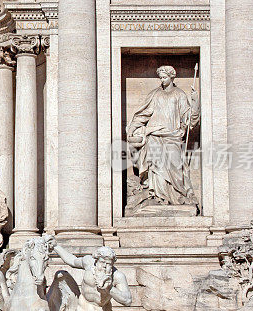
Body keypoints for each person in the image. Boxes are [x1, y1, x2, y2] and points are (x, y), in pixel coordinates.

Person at [126, 65, 200, 207]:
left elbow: (189, 119)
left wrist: (195, 102)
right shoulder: (155, 94)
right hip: (154, 135)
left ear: (172, 77)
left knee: (174, 165)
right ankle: (157, 196)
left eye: (164, 77)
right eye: (160, 77)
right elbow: (143, 114)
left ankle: (176, 196)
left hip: (173, 136)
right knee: (156, 166)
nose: (162, 80)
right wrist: (133, 127)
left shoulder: (179, 95)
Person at [50, 242, 133, 311]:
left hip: (102, 308)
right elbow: (72, 260)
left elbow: (128, 301)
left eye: (108, 264)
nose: (104, 266)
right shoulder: (88, 262)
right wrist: (55, 246)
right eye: (102, 262)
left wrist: (110, 288)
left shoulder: (117, 276)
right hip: (83, 305)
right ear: (96, 260)